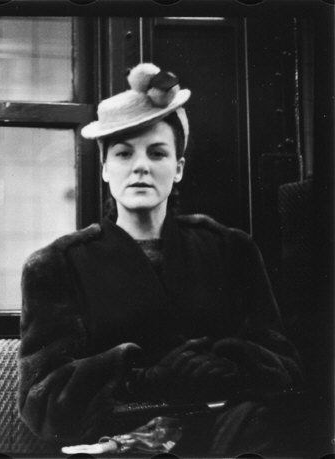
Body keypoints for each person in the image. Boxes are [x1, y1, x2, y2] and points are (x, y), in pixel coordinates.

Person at [17, 63, 304, 456]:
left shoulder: (231, 250)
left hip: (223, 437)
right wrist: (139, 377)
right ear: (104, 169)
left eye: (157, 153)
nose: (140, 166)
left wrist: (227, 365)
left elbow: (285, 371)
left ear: (179, 168)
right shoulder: (57, 266)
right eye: (123, 153)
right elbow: (43, 406)